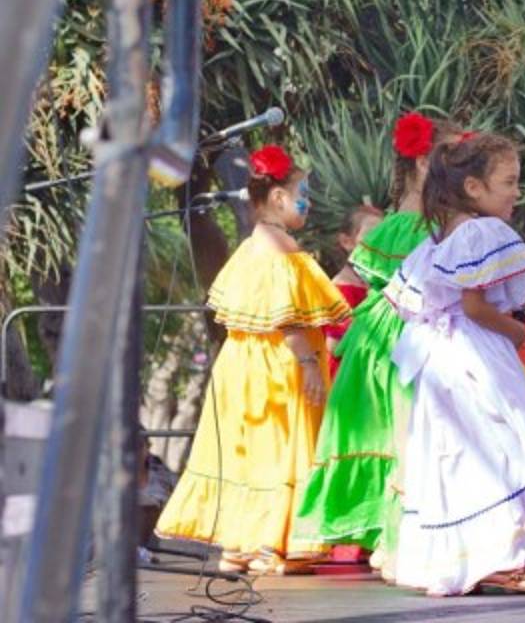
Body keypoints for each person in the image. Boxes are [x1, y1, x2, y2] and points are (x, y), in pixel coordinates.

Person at [380, 131, 525, 596]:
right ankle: (502, 557)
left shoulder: (439, 239)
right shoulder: (479, 232)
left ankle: (478, 557)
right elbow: (475, 307)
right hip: (473, 354)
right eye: (509, 182)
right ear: (473, 187)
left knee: (461, 453)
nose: (516, 193)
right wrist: (515, 330)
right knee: (502, 445)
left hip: (443, 359)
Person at [155, 145, 350, 575]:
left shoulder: (249, 247)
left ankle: (239, 545)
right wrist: (308, 364)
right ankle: (269, 544)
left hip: (242, 369)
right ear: (278, 198)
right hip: (275, 370)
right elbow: (286, 316)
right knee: (278, 448)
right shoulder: (281, 248)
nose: (308, 203)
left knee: (249, 451)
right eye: (302, 194)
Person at [293, 112, 451, 573]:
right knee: (402, 433)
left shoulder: (414, 224)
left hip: (386, 336)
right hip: (396, 339)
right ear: (424, 163)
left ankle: (392, 536)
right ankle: (395, 537)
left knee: (394, 432)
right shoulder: (412, 226)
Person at [322, 204, 383, 381]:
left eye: (383, 234)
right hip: (347, 377)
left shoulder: (372, 284)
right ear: (346, 242)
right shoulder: (342, 290)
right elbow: (335, 345)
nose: (380, 240)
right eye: (372, 234)